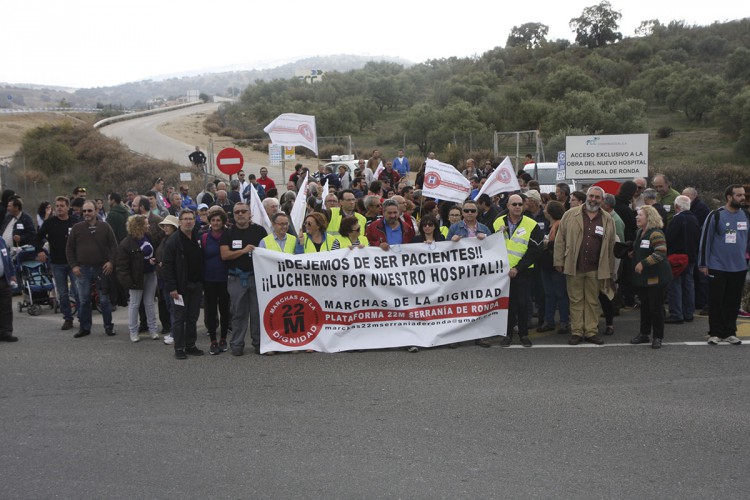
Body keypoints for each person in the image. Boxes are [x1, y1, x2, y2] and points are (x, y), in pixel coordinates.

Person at [554, 187, 616, 345]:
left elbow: (610, 245)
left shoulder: (607, 219)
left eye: (597, 197)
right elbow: (560, 240)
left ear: (602, 200)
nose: (593, 199)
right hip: (574, 266)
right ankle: (576, 332)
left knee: (592, 301)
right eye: (591, 196)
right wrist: (559, 261)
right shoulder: (570, 214)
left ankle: (591, 332)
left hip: (596, 268)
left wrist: (609, 269)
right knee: (575, 301)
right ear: (586, 196)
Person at [699, 185, 749, 345]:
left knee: (733, 301)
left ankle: (730, 332)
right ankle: (715, 332)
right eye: (739, 195)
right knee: (716, 300)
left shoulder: (746, 216)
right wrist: (703, 263)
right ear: (729, 197)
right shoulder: (715, 215)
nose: (743, 198)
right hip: (717, 266)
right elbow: (705, 240)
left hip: (740, 267)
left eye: (743, 195)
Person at [493, 194, 544, 347]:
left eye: (520, 204)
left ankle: (523, 334)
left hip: (523, 272)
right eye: (514, 204)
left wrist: (517, 268)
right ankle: (507, 334)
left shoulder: (531, 224)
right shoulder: (497, 223)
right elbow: (489, 245)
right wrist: (497, 234)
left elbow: (535, 251)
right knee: (507, 305)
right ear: (507, 206)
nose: (517, 207)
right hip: (502, 273)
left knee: (522, 303)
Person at [220, 202, 268, 356]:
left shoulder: (259, 231)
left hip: (256, 277)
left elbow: (268, 252)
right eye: (236, 212)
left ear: (249, 214)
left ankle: (259, 343)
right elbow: (225, 255)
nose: (240, 214)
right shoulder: (228, 233)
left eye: (243, 211)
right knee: (238, 313)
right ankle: (237, 344)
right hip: (236, 278)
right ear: (233, 216)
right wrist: (243, 251)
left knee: (257, 313)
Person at [66, 200, 118, 339]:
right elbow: (69, 249)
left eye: (89, 210)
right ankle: (84, 328)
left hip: (101, 269)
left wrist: (111, 262)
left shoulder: (105, 227)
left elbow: (114, 247)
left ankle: (108, 326)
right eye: (84, 211)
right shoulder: (77, 228)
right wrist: (74, 266)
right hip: (82, 269)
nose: (87, 213)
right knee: (83, 300)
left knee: (104, 300)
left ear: (96, 211)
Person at [162, 209, 204, 359]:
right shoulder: (173, 241)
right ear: (179, 222)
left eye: (190, 219)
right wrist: (172, 287)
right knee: (180, 319)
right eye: (185, 219)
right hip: (179, 288)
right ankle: (179, 348)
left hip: (196, 285)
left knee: (192, 318)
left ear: (194, 221)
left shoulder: (197, 236)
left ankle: (190, 345)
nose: (188, 221)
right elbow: (167, 266)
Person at [629, 206, 672, 349]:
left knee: (656, 308)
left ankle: (658, 337)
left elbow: (661, 253)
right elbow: (641, 249)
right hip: (643, 278)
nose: (636, 217)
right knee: (645, 307)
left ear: (649, 217)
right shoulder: (639, 232)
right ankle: (644, 334)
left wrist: (643, 263)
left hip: (657, 277)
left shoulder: (656, 233)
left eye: (640, 215)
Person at [36, 196, 78, 330]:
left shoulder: (75, 222)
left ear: (68, 207)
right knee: (63, 293)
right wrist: (40, 250)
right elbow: (37, 237)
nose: (59, 208)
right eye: (57, 206)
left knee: (78, 292)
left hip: (73, 263)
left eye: (62, 206)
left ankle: (83, 318)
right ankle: (68, 318)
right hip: (57, 263)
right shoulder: (50, 223)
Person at [116, 215, 159, 343]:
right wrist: (129, 282)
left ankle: (153, 330)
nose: (148, 225)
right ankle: (133, 331)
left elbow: (153, 252)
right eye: (146, 223)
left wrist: (154, 260)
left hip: (151, 274)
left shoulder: (148, 237)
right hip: (136, 278)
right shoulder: (126, 244)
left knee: (149, 303)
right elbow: (122, 266)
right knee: (134, 304)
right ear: (138, 226)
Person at [665, 195, 700, 324]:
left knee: (675, 286)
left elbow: (669, 238)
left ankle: (676, 314)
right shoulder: (694, 219)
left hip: (677, 257)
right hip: (690, 257)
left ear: (677, 207)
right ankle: (688, 313)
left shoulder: (677, 219)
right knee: (689, 285)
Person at [537, 201, 570, 335]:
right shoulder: (548, 225)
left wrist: (547, 244)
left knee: (560, 294)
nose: (544, 211)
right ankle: (549, 320)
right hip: (546, 265)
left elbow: (561, 243)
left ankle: (563, 322)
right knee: (549, 294)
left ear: (549, 212)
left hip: (556, 264)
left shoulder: (560, 225)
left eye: (546, 209)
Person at [200, 208, 230, 355]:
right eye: (213, 220)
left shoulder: (228, 235)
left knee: (225, 311)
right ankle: (213, 340)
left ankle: (223, 338)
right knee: (211, 312)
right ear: (210, 222)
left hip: (225, 279)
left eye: (218, 220)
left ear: (223, 222)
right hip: (209, 279)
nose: (216, 223)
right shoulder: (204, 237)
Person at [155, 215, 179, 345]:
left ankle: (175, 334)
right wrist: (158, 261)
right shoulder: (165, 239)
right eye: (164, 225)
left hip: (170, 278)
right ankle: (174, 332)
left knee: (174, 308)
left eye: (168, 225)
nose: (165, 227)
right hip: (163, 278)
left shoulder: (174, 241)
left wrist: (163, 263)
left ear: (174, 227)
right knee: (170, 307)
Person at [0, 236, 18, 342]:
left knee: (6, 307)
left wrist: (12, 274)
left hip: (4, 279)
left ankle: (6, 332)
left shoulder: (1, 240)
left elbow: (8, 259)